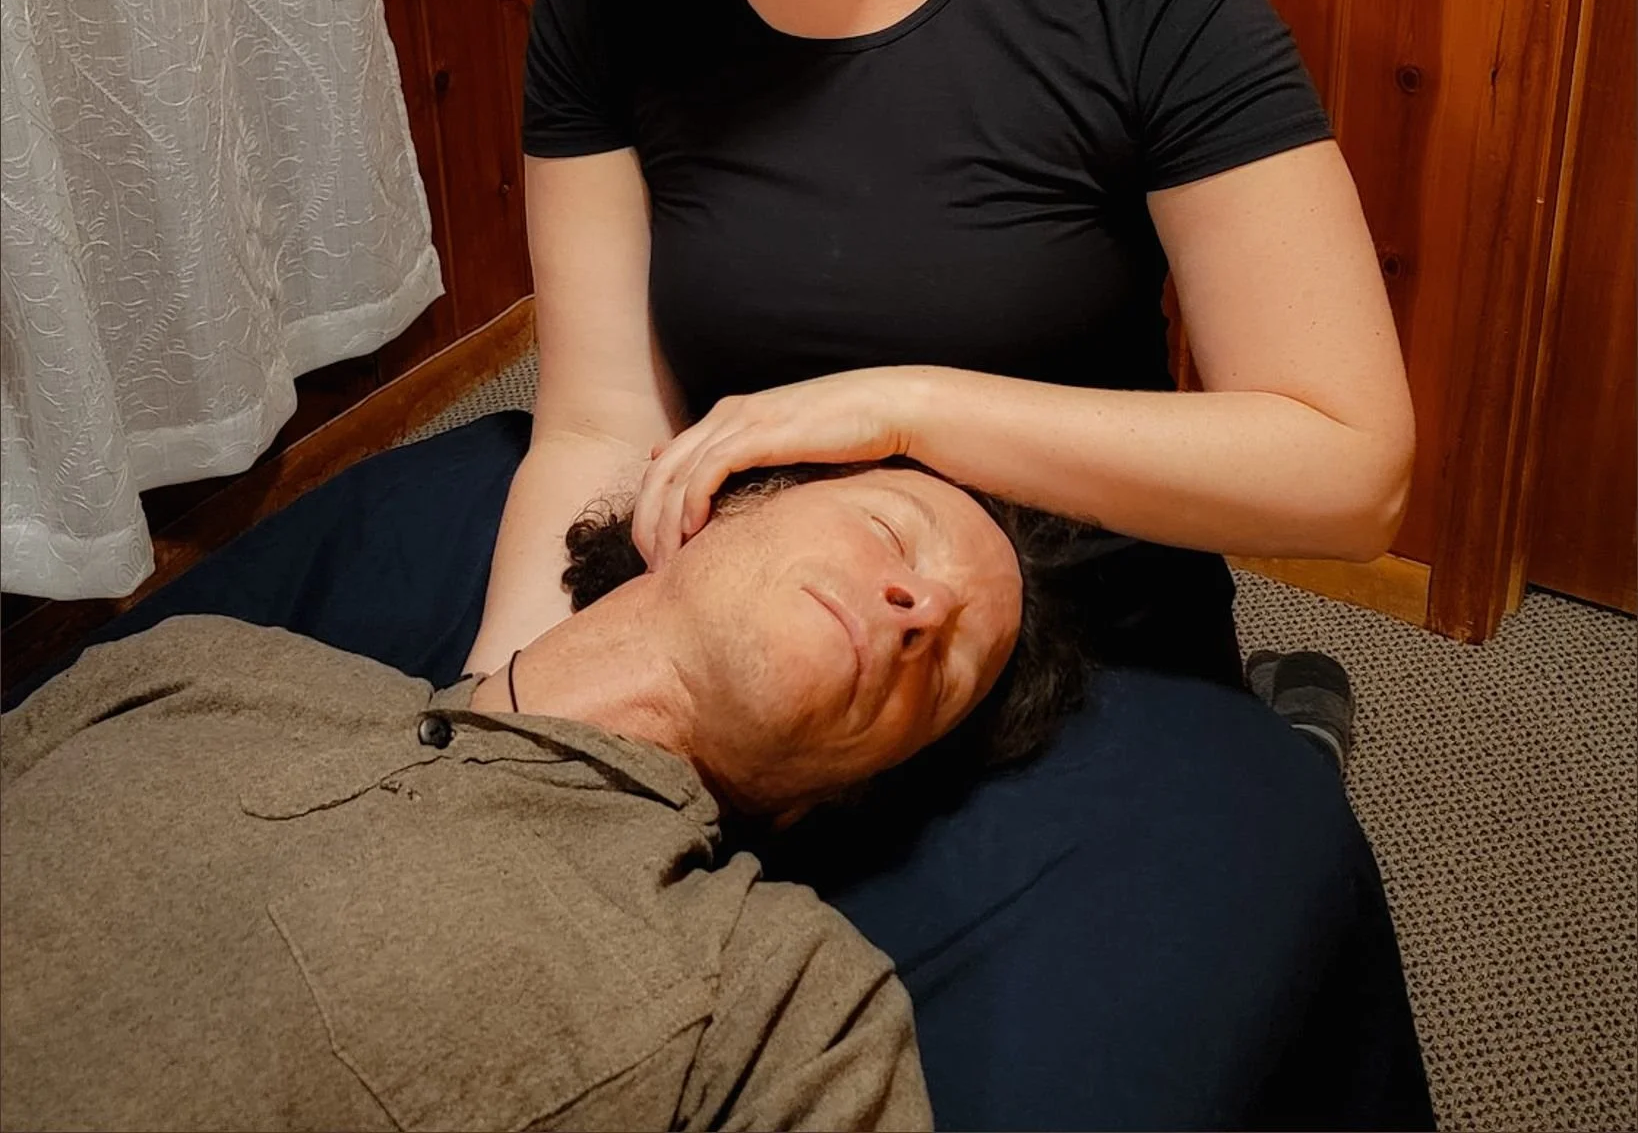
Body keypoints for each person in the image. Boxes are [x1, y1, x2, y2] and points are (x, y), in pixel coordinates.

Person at [456, 0, 1432, 1131]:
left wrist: (898, 403)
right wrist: (500, 714)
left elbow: (1347, 463)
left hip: (1078, 658)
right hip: (775, 647)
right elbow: (596, 423)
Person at [0, 461, 1084, 1133]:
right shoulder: (210, 664)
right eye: (894, 531)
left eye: (941, 666)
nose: (919, 607)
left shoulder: (788, 1006)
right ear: (713, 504)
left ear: (830, 794)